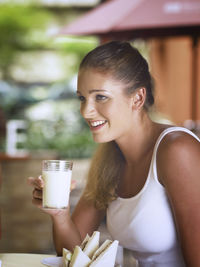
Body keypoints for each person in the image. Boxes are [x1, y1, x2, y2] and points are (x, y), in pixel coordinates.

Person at [28, 41, 200, 267]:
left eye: (100, 97)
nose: (86, 111)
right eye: (82, 98)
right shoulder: (110, 158)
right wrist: (59, 213)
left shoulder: (177, 150)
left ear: (137, 98)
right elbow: (72, 254)